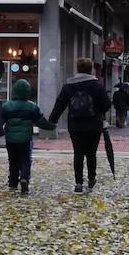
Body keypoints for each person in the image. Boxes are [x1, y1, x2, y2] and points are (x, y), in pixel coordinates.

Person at [48, 58, 111, 194]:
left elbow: (59, 105)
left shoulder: (68, 86)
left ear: (78, 69)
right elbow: (106, 105)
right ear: (90, 70)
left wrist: (52, 121)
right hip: (94, 125)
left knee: (78, 153)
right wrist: (98, 110)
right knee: (91, 153)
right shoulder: (97, 86)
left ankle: (78, 182)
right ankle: (91, 179)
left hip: (75, 125)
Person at [1, 79, 55, 194]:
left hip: (10, 139)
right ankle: (24, 178)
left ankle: (13, 183)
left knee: (13, 161)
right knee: (26, 160)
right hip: (25, 139)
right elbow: (40, 121)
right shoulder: (32, 107)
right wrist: (51, 126)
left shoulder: (6, 106)